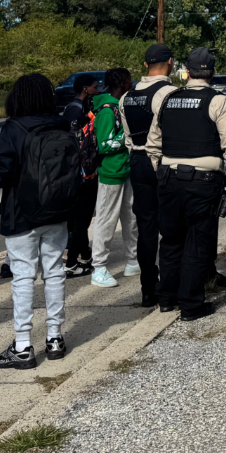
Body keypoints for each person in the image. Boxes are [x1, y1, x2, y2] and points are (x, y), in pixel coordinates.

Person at [0, 73, 80, 369]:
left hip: (21, 213)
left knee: (23, 276)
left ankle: (23, 345)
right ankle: (55, 337)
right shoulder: (61, 123)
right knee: (54, 271)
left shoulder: (12, 128)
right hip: (57, 209)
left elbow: (5, 171)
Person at [146, 47, 226, 321]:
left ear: (187, 72)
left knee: (171, 241)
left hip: (168, 179)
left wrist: (162, 169)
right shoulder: (219, 102)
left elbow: (153, 143)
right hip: (203, 181)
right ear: (212, 73)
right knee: (197, 243)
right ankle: (191, 305)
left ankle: (167, 298)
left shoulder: (168, 99)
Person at [119, 44, 175, 307]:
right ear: (171, 63)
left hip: (137, 161)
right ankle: (168, 286)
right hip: (163, 163)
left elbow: (128, 136)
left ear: (145, 66)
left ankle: (147, 289)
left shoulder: (126, 96)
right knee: (171, 227)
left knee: (146, 229)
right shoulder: (168, 93)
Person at [89, 68, 138, 288]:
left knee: (131, 216)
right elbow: (104, 144)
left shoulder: (119, 105)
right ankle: (98, 267)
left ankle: (133, 259)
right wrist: (127, 135)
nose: (131, 83)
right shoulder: (108, 110)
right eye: (129, 79)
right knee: (106, 220)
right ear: (121, 82)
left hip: (125, 169)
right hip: (111, 172)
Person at [63, 75, 100, 277]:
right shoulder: (78, 112)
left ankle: (85, 255)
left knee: (79, 219)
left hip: (76, 173)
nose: (98, 89)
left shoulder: (73, 109)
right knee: (81, 220)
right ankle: (71, 262)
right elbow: (80, 143)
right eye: (95, 87)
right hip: (84, 173)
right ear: (86, 89)